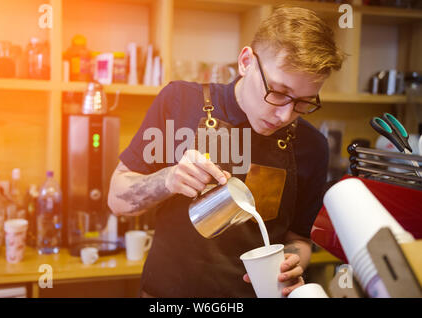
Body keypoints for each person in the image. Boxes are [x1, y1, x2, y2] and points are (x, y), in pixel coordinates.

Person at [108, 5, 345, 297]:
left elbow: (299, 238)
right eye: (279, 92)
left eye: (303, 102)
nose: (285, 116)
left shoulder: (312, 146)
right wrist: (168, 179)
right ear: (246, 61)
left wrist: (293, 260)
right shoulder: (180, 102)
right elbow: (116, 199)